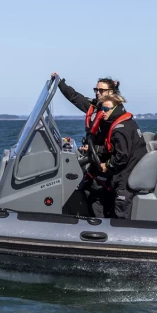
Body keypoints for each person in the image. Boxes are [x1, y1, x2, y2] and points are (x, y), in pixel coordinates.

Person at [50, 72, 120, 217]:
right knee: (84, 187)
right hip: (95, 156)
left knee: (94, 192)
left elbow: (115, 146)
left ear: (111, 92)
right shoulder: (94, 107)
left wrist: (96, 150)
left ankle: (100, 221)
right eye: (96, 90)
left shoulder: (112, 115)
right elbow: (75, 97)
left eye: (102, 91)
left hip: (106, 160)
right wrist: (60, 83)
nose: (98, 93)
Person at [96, 93, 147, 219]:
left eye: (106, 109)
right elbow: (115, 148)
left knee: (121, 204)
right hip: (132, 166)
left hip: (127, 173)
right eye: (102, 109)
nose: (103, 112)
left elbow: (122, 156)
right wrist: (97, 149)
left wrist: (106, 165)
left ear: (115, 109)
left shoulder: (120, 129)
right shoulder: (127, 123)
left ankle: (120, 227)